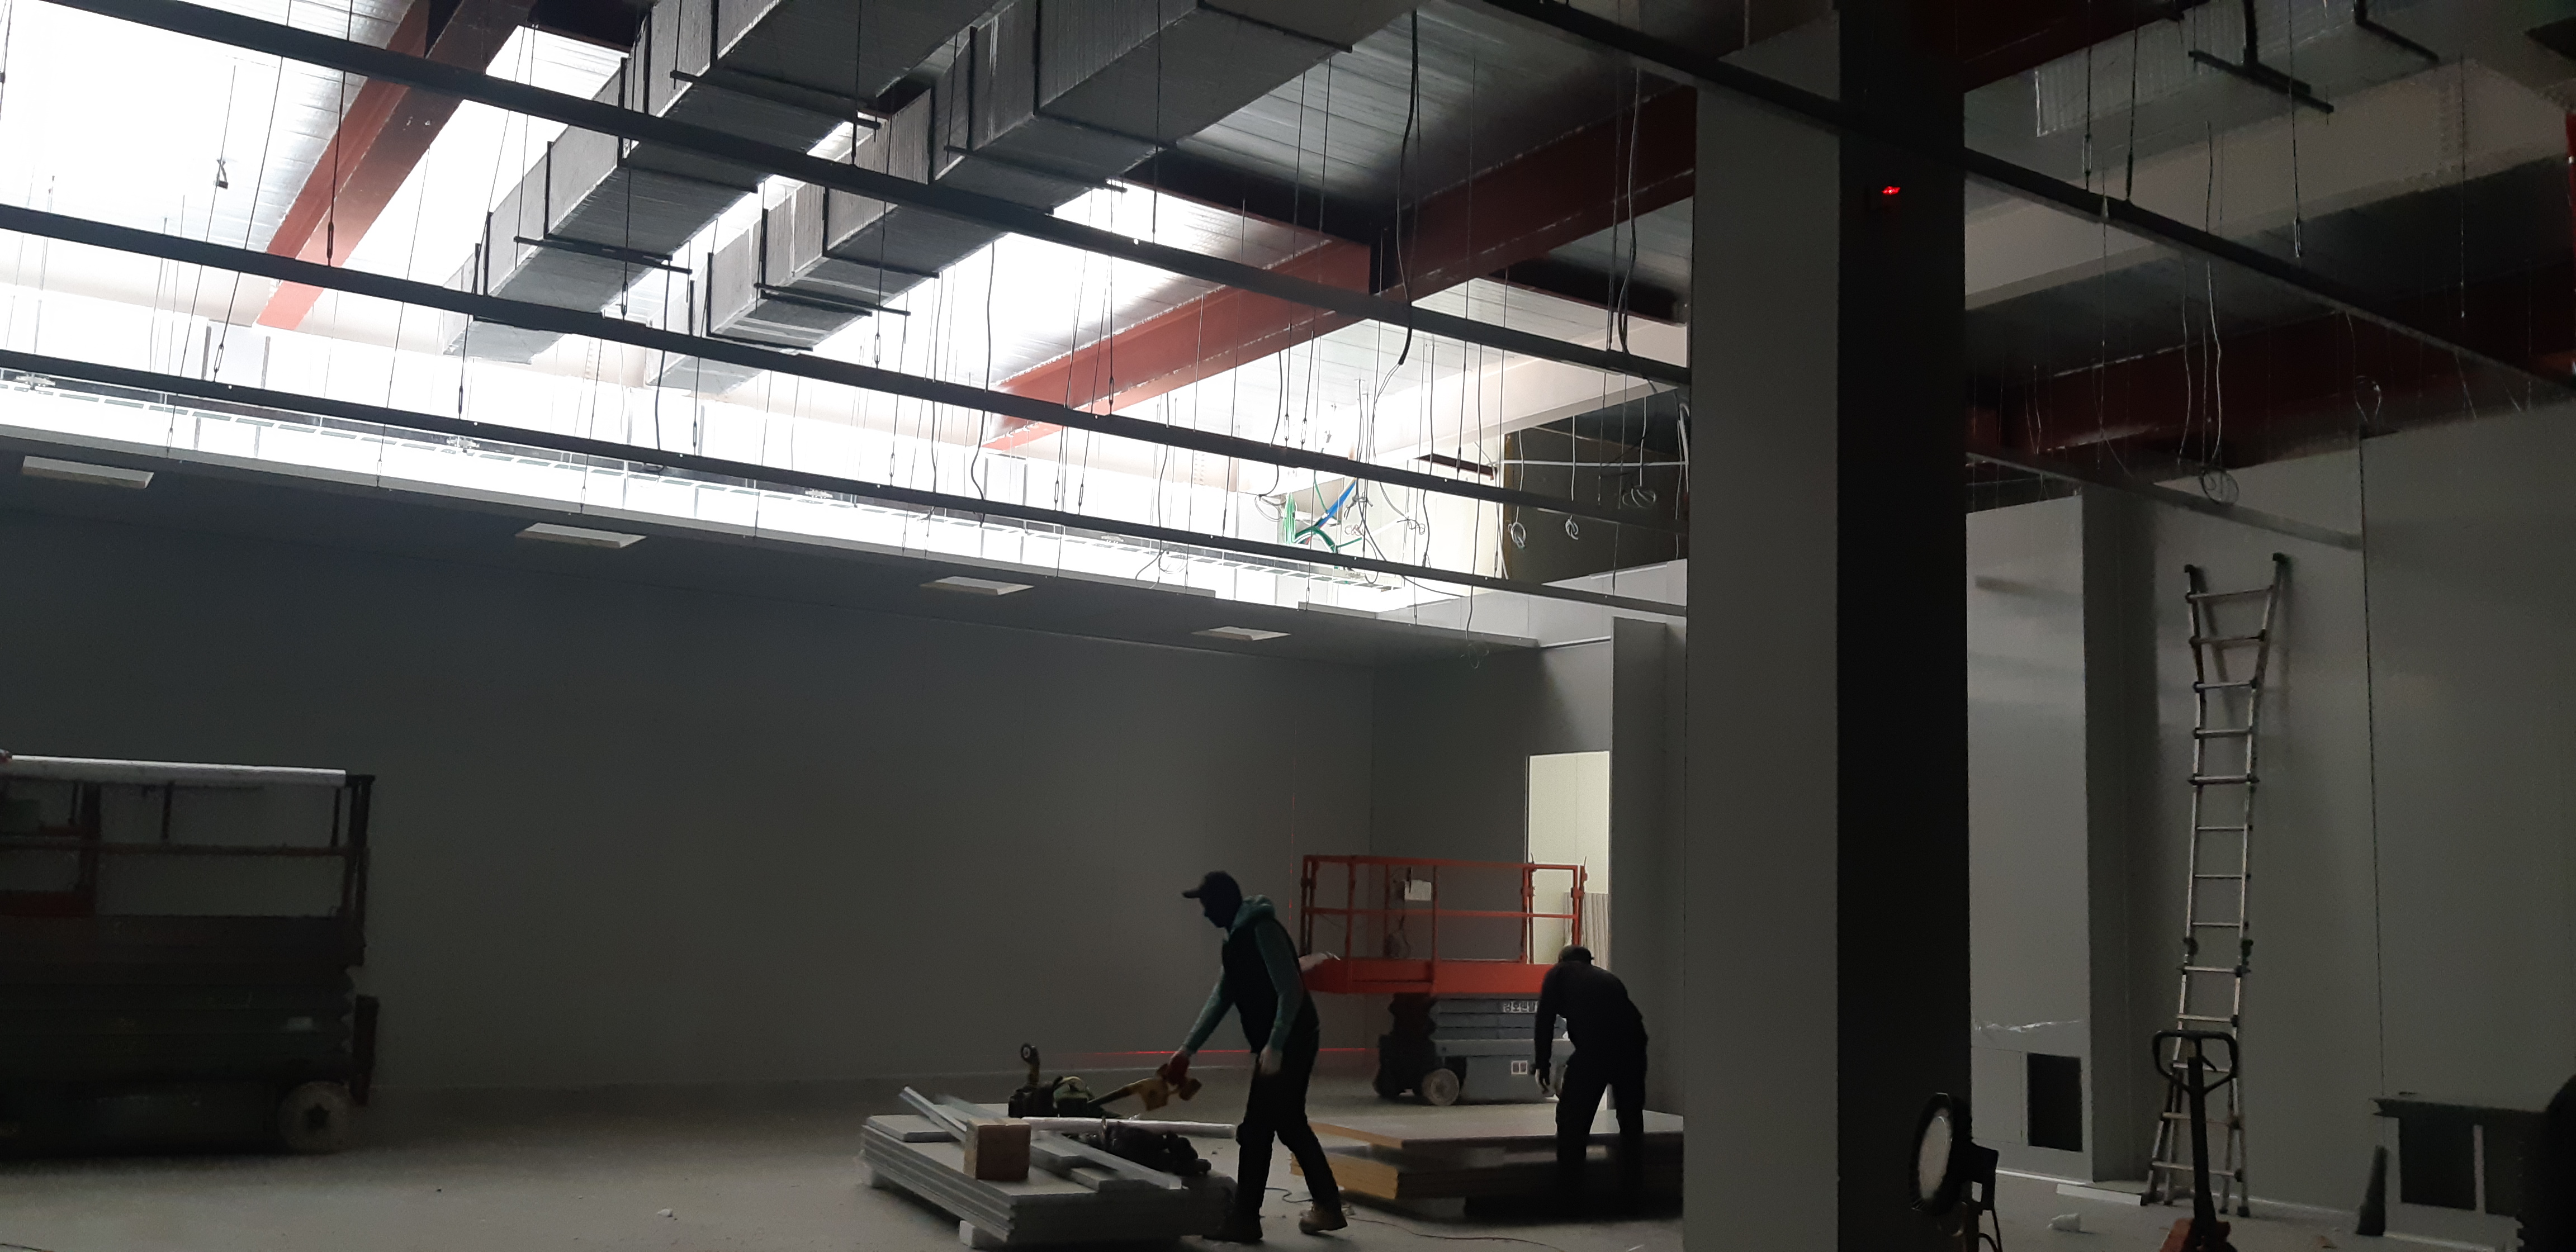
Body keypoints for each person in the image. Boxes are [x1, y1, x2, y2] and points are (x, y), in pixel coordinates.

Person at [1161, 871, 1344, 1243]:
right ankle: (1328, 1206)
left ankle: (1246, 1220)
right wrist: (1187, 1051)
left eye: (1206, 904)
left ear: (1222, 903)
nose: (1204, 913)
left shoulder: (1263, 931)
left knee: (1257, 1129)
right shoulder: (1235, 941)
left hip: (1294, 1039)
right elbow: (1221, 998)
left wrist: (1276, 1044)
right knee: (1289, 1124)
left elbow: (1291, 990)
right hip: (1278, 1043)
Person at [1532, 944, 1647, 1208]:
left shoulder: (1558, 974)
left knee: (1572, 1121)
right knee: (1631, 1122)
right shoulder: (1607, 978)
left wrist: (1542, 1065)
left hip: (1595, 1050)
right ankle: (1633, 1196)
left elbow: (1545, 1021)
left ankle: (1570, 1196)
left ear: (1562, 960)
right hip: (1633, 1047)